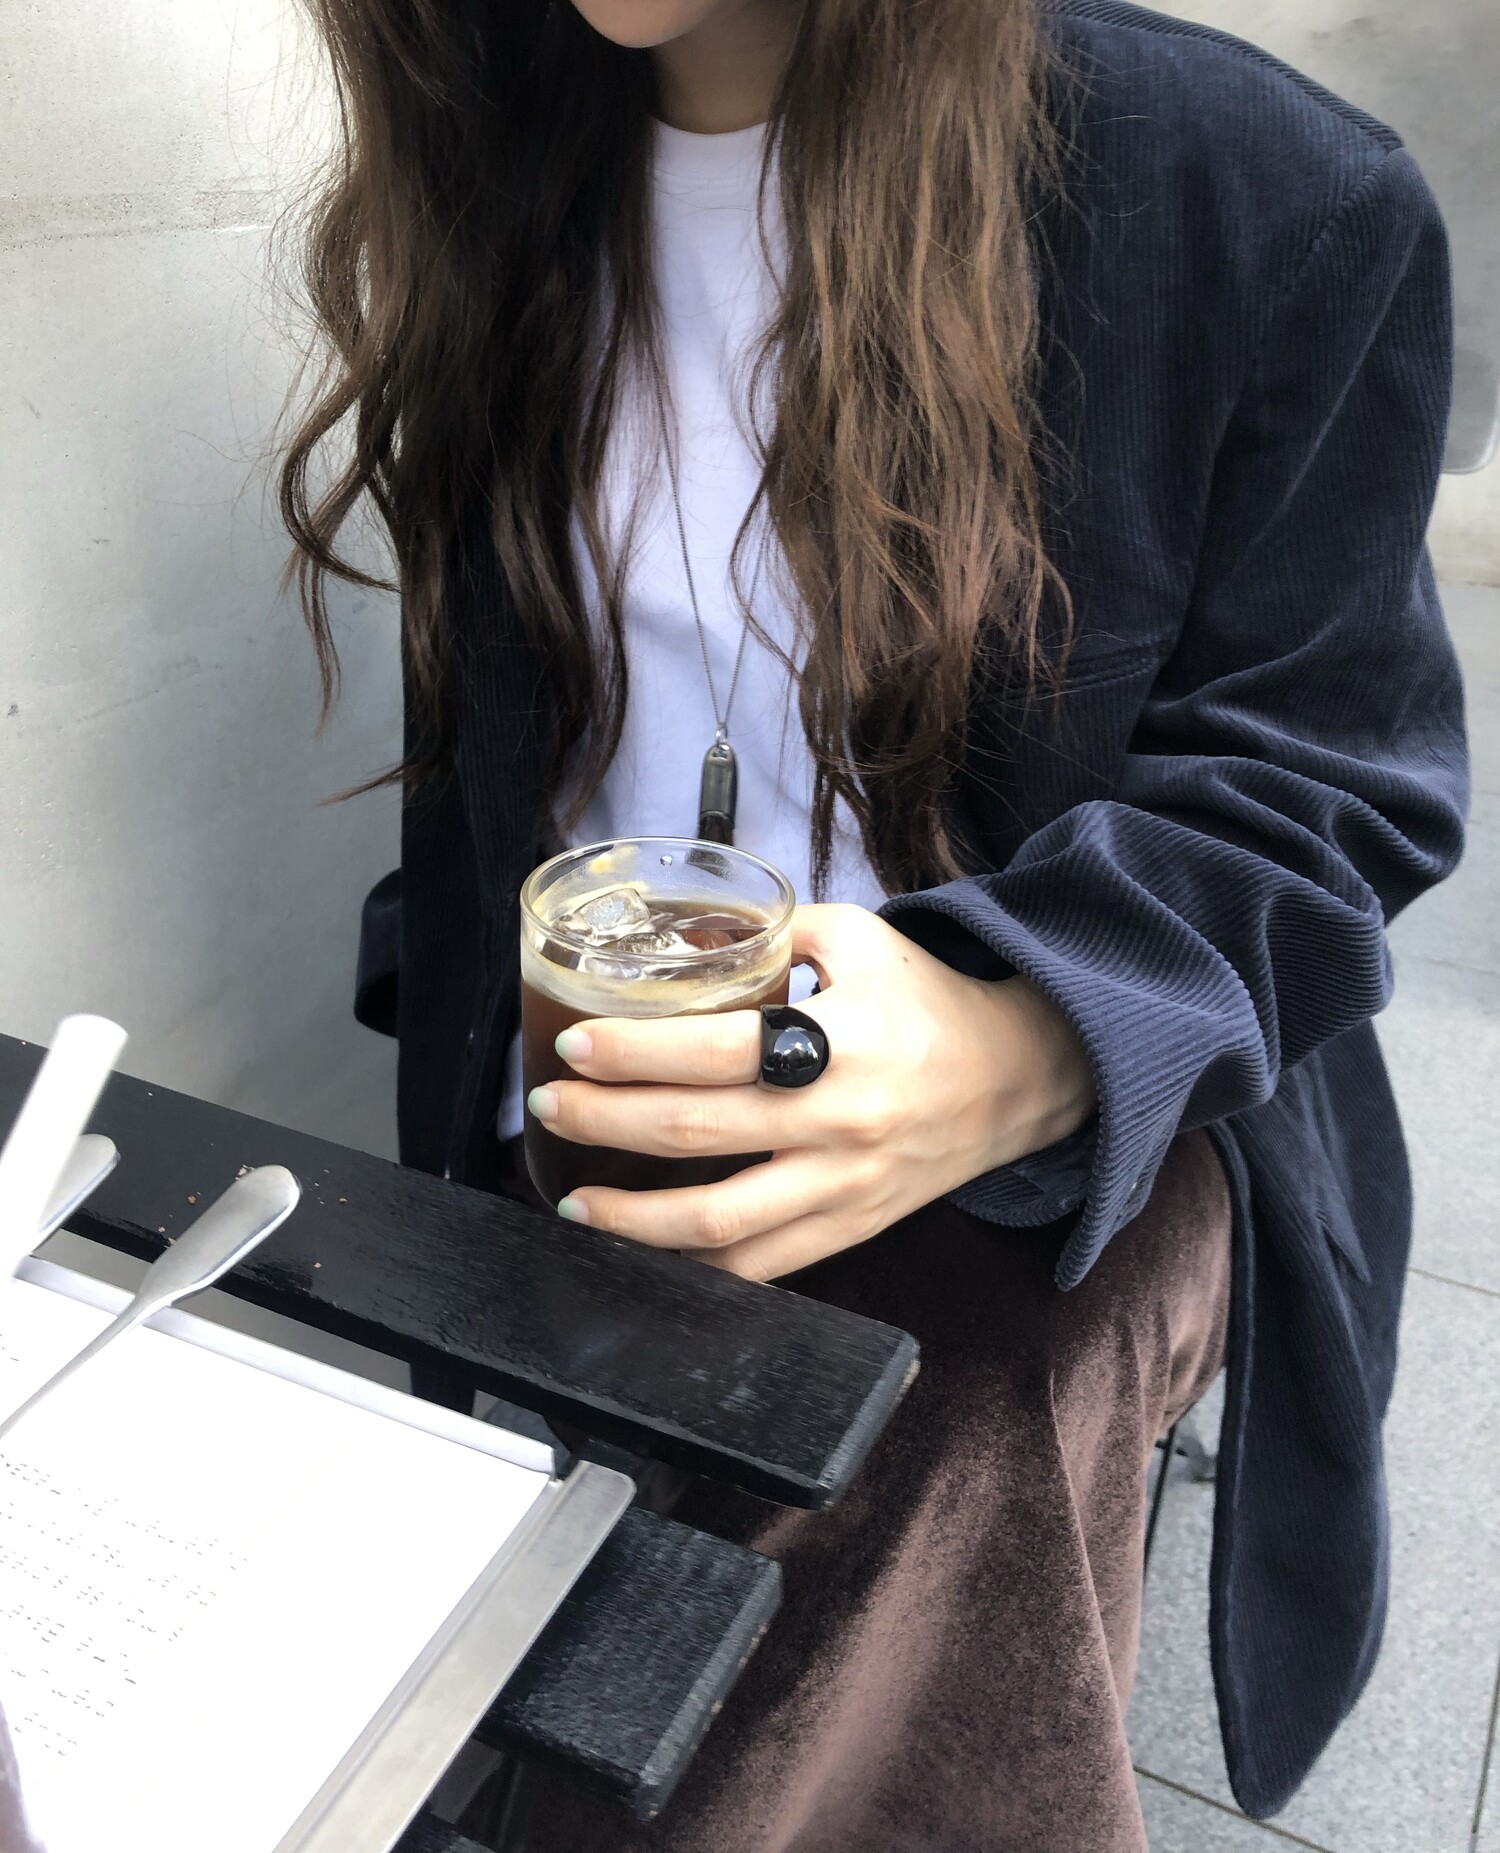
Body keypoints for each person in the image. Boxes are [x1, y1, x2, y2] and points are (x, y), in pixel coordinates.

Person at [280, 0, 1468, 1846]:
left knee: (917, 1427)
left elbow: (1337, 777)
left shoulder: (1260, 193)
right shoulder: (499, 159)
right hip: (607, 1049)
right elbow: (511, 749)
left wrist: (1025, 1032)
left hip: (1104, 1101)